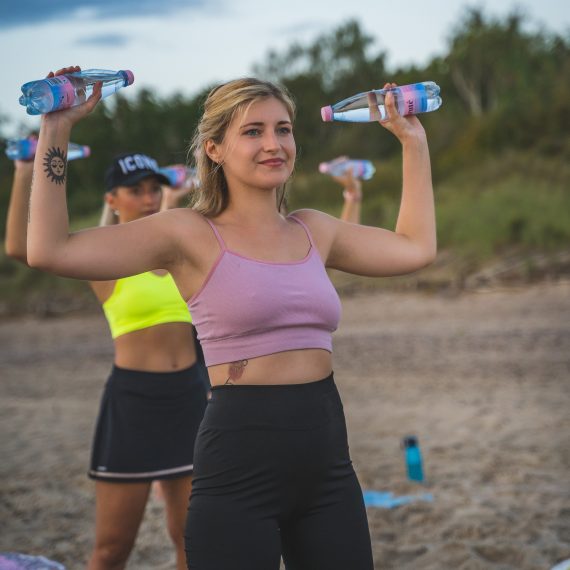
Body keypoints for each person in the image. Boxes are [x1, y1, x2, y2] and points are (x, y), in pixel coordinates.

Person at [26, 66, 436, 570]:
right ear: (215, 149)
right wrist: (56, 128)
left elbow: (415, 248)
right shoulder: (187, 233)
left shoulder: (314, 230)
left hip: (328, 469)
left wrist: (412, 141)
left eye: (283, 129)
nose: (274, 144)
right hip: (238, 470)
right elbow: (48, 250)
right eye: (253, 131)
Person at [6, 146, 208, 570]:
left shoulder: (181, 249)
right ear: (112, 199)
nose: (148, 197)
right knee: (113, 548)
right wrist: (25, 171)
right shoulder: (107, 258)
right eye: (136, 190)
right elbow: (22, 247)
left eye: (154, 188)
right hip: (134, 403)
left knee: (194, 539)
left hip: (190, 398)